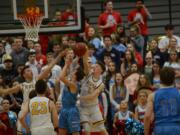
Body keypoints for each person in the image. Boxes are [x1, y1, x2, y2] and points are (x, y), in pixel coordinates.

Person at [79, 49, 108, 135]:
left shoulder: (101, 84)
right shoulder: (88, 75)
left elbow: (92, 96)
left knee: (102, 129)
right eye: (94, 66)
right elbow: (85, 63)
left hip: (94, 108)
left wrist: (78, 97)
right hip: (84, 107)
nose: (94, 67)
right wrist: (85, 52)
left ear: (101, 70)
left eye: (96, 67)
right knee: (87, 130)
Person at [144, 67, 180, 135]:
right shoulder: (179, 93)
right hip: (177, 128)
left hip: (160, 128)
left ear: (160, 79)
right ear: (173, 79)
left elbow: (147, 116)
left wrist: (146, 133)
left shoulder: (152, 95)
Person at [58, 55, 85, 135]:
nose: (72, 71)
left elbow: (61, 77)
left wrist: (66, 64)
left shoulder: (74, 85)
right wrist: (75, 58)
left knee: (75, 133)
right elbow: (71, 68)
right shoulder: (70, 81)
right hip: (63, 109)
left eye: (74, 71)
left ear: (76, 74)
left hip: (72, 111)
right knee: (61, 132)